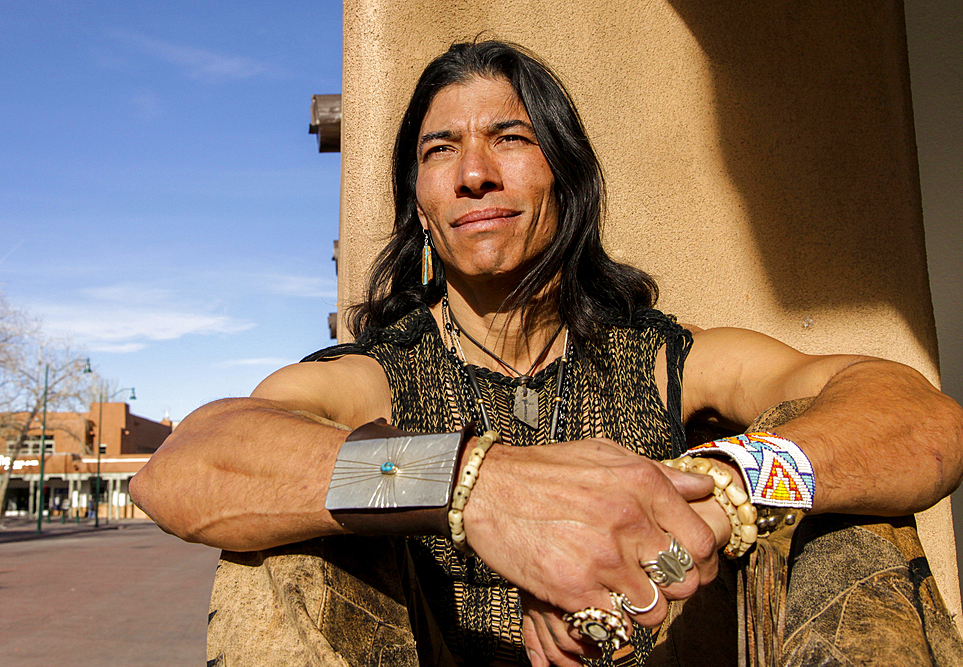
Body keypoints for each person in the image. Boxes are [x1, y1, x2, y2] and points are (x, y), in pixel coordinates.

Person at [130, 40, 963, 666]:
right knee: (284, 540)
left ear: (565, 178)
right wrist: (473, 484)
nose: (474, 174)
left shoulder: (670, 359)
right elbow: (187, 467)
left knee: (843, 493)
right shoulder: (377, 375)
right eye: (439, 149)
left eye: (509, 139)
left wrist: (717, 498)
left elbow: (919, 420)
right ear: (419, 206)